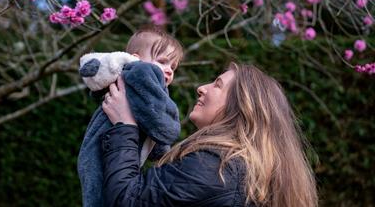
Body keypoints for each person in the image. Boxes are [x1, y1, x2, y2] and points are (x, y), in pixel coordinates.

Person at [101, 62, 318, 207]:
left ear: (242, 106)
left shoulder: (216, 166)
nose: (201, 88)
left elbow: (125, 199)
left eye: (218, 85)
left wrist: (125, 126)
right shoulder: (247, 170)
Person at [77, 26, 184, 207]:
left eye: (173, 66)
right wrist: (170, 131)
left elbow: (151, 123)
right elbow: (161, 125)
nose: (169, 70)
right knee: (101, 195)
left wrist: (162, 153)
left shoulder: (147, 84)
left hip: (112, 149)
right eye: (163, 61)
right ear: (136, 59)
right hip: (107, 147)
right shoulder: (141, 72)